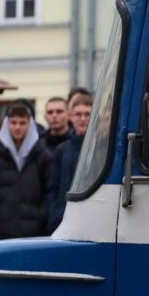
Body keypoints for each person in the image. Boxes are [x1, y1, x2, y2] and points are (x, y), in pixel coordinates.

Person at [0, 102, 53, 241]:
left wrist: (41, 216)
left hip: (35, 233)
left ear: (30, 124)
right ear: (6, 124)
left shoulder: (44, 157)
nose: (18, 127)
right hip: (0, 232)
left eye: (22, 123)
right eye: (13, 122)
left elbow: (49, 192)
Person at [46, 93, 93, 231]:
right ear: (70, 117)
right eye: (78, 114)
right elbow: (53, 188)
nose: (83, 119)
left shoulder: (102, 149)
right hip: (64, 220)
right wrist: (55, 215)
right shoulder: (62, 150)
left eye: (87, 114)